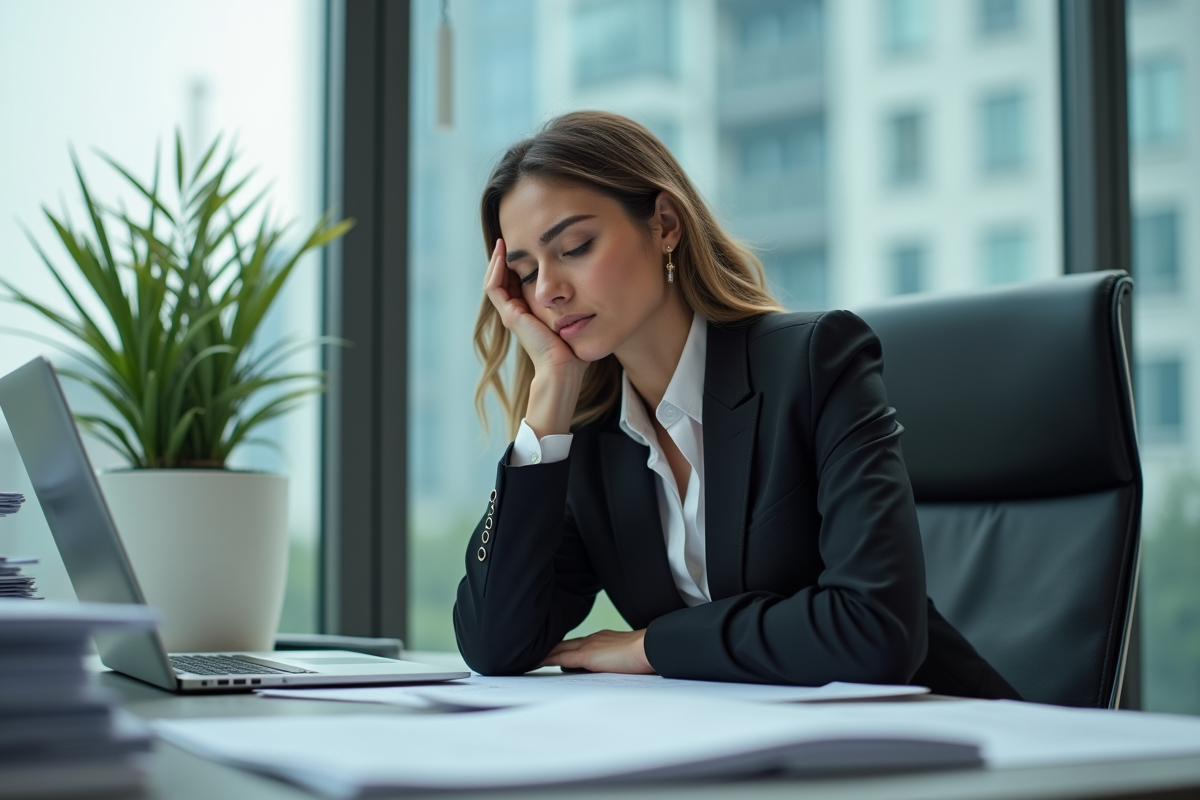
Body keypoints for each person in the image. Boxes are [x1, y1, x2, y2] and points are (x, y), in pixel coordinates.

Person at [453, 110, 1019, 698]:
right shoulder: (592, 439)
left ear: (665, 224)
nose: (548, 290)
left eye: (575, 246)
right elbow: (495, 643)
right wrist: (549, 396)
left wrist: (650, 645)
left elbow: (874, 631)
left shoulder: (815, 362)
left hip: (948, 744)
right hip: (757, 754)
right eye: (523, 273)